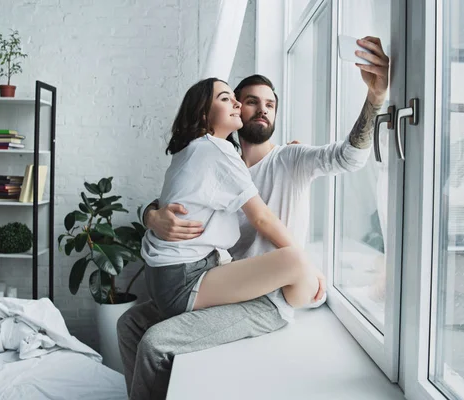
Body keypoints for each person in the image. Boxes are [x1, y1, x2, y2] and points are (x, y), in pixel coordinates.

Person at [118, 36, 390, 400]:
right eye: (250, 101)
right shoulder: (215, 158)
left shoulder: (291, 159)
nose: (262, 110)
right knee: (129, 323)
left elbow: (348, 158)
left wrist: (375, 100)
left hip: (265, 297)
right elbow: (170, 198)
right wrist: (152, 217)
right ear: (235, 110)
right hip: (215, 285)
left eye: (271, 105)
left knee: (155, 342)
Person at [141, 77, 324, 320]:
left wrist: (149, 213)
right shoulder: (216, 150)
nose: (236, 105)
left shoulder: (191, 150)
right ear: (204, 114)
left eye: (235, 100)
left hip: (166, 276)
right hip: (183, 279)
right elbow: (262, 218)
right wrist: (309, 269)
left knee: (294, 264)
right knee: (296, 260)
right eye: (226, 99)